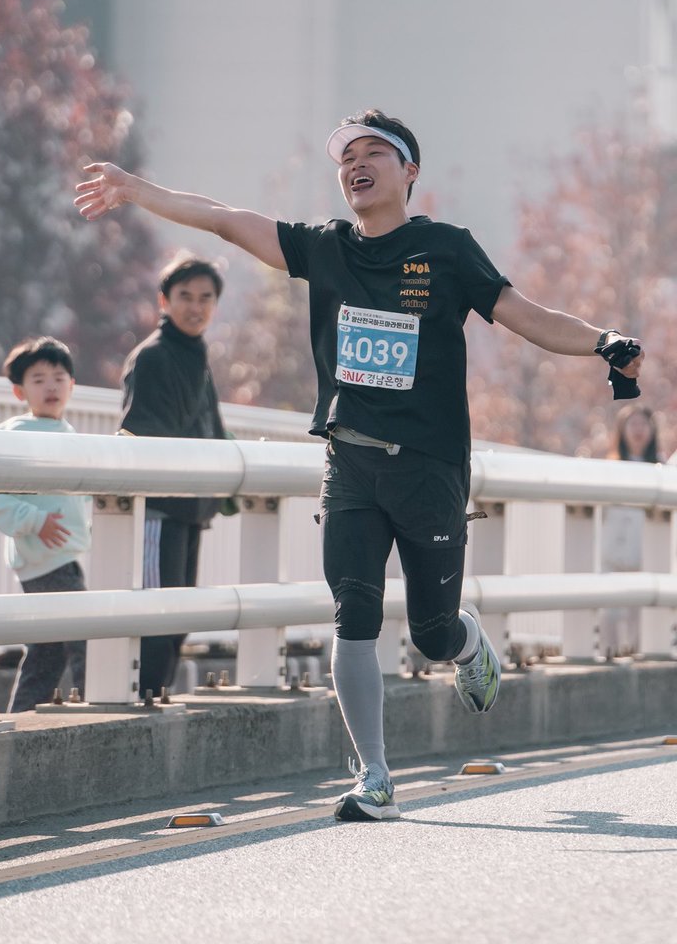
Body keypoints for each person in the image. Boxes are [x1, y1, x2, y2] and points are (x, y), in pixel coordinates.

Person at [74, 107, 644, 822]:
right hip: (349, 465)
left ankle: (467, 643)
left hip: (430, 467)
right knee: (354, 618)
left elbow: (524, 313)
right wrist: (135, 188)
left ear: (409, 172)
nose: (356, 166)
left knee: (432, 633)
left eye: (375, 153)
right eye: (347, 158)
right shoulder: (326, 249)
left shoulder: (446, 249)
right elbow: (224, 218)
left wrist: (603, 341)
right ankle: (373, 776)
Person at [118, 253, 228, 698]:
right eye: (185, 296)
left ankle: (154, 698)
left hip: (191, 506)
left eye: (205, 298)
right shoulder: (153, 357)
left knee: (179, 618)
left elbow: (209, 426)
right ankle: (140, 700)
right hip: (158, 508)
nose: (195, 307)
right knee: (157, 618)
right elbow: (141, 431)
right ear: (164, 300)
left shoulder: (196, 354)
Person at [0, 337, 92, 712]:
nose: (51, 386)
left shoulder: (69, 433)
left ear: (72, 385)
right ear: (19, 390)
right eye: (39, 379)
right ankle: (102, 707)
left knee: (48, 653)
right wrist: (35, 520)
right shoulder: (17, 432)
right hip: (45, 558)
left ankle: (21, 721)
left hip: (62, 555)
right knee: (82, 638)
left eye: (59, 377)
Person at [600, 405, 664, 656]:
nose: (638, 430)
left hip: (647, 548)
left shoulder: (661, 468)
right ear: (622, 430)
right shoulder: (611, 466)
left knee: (643, 613)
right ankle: (610, 652)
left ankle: (640, 652)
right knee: (611, 611)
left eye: (643, 424)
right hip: (614, 547)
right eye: (632, 424)